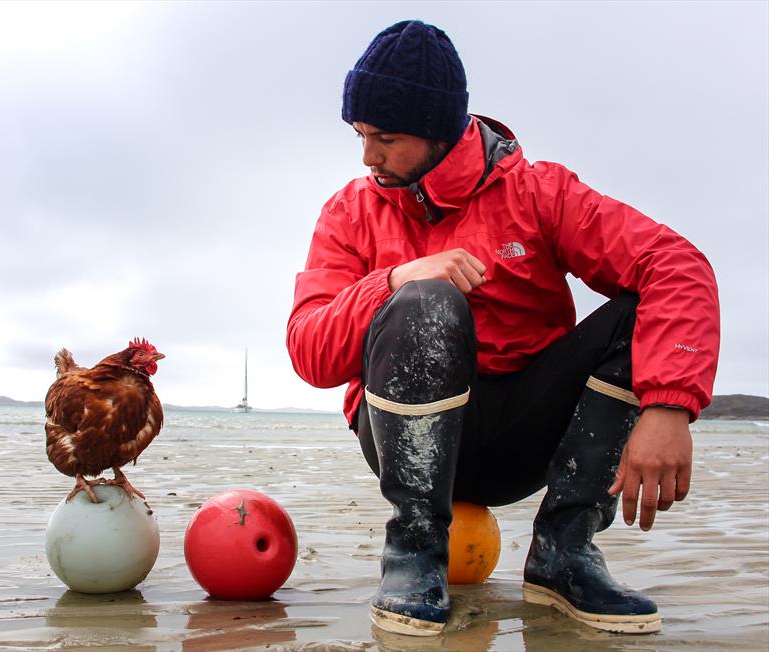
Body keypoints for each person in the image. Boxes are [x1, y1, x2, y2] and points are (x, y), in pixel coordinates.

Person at [286, 20, 720, 637]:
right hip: (399, 441)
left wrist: (670, 405)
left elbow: (678, 264)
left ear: (440, 131)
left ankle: (564, 554)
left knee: (635, 311)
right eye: (359, 135)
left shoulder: (541, 192)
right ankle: (413, 552)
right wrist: (397, 280)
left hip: (521, 437)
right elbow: (309, 350)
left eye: (385, 137)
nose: (367, 156)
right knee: (426, 300)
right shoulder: (349, 210)